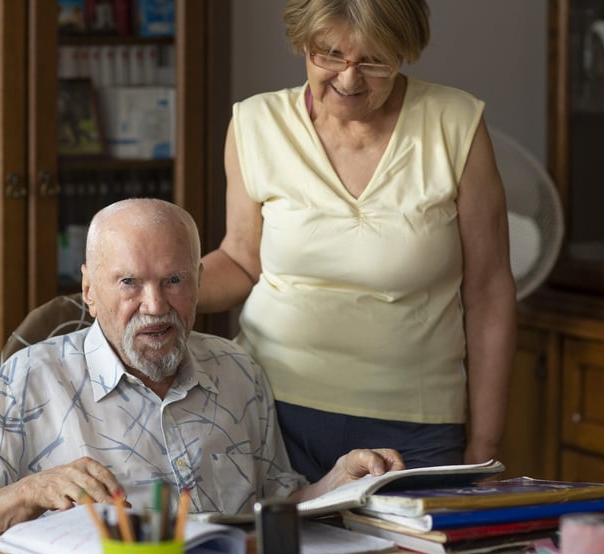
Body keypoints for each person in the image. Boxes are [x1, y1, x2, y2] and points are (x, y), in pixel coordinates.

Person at [0, 198, 404, 554]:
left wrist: (338, 482)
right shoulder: (26, 382)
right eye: (129, 283)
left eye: (173, 280)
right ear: (89, 291)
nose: (155, 306)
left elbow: (276, 506)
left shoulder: (238, 371)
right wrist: (30, 491)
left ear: (198, 280)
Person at [197, 0, 517, 483]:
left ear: (404, 53)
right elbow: (241, 261)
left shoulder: (455, 124)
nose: (349, 80)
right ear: (302, 42)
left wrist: (485, 446)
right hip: (269, 410)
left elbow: (489, 292)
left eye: (374, 61)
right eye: (329, 54)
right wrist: (153, 289)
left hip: (417, 426)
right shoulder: (255, 123)